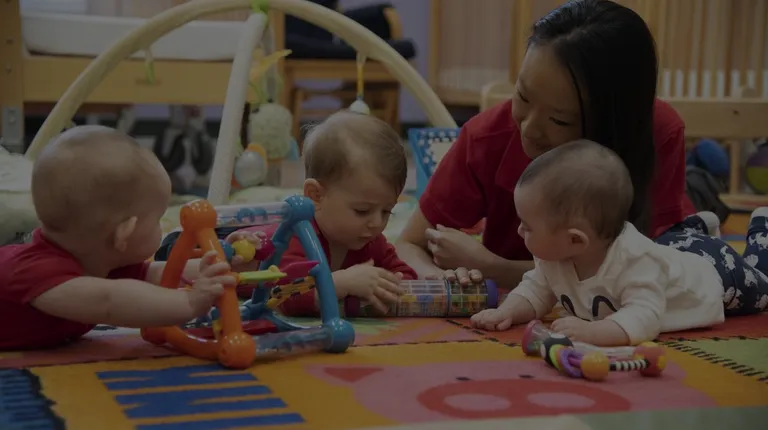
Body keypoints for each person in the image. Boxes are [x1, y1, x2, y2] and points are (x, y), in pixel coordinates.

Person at [396, 0, 695, 288]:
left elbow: (646, 270)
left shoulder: (657, 132)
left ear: (613, 124)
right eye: (523, 96)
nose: (530, 129)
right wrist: (437, 279)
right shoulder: (487, 137)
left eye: (559, 120)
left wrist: (495, 268)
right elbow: (408, 244)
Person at [470, 140, 767, 346]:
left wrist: (594, 332)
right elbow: (535, 291)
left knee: (763, 288)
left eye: (528, 226)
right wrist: (507, 312)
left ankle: (760, 231)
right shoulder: (555, 255)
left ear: (575, 239)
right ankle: (697, 227)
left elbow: (646, 316)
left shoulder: (634, 262)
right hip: (672, 250)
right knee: (669, 247)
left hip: (717, 274)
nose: (519, 230)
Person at [0, 126, 256, 350]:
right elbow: (110, 301)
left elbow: (161, 273)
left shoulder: (99, 259)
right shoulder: (40, 275)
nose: (161, 226)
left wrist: (221, 263)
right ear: (125, 232)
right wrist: (189, 302)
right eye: (157, 219)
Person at [235, 111, 416, 316]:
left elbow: (405, 275)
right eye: (362, 211)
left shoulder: (371, 241)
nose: (376, 223)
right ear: (316, 196)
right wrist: (341, 283)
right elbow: (285, 295)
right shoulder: (293, 238)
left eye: (387, 211)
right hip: (236, 249)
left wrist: (389, 286)